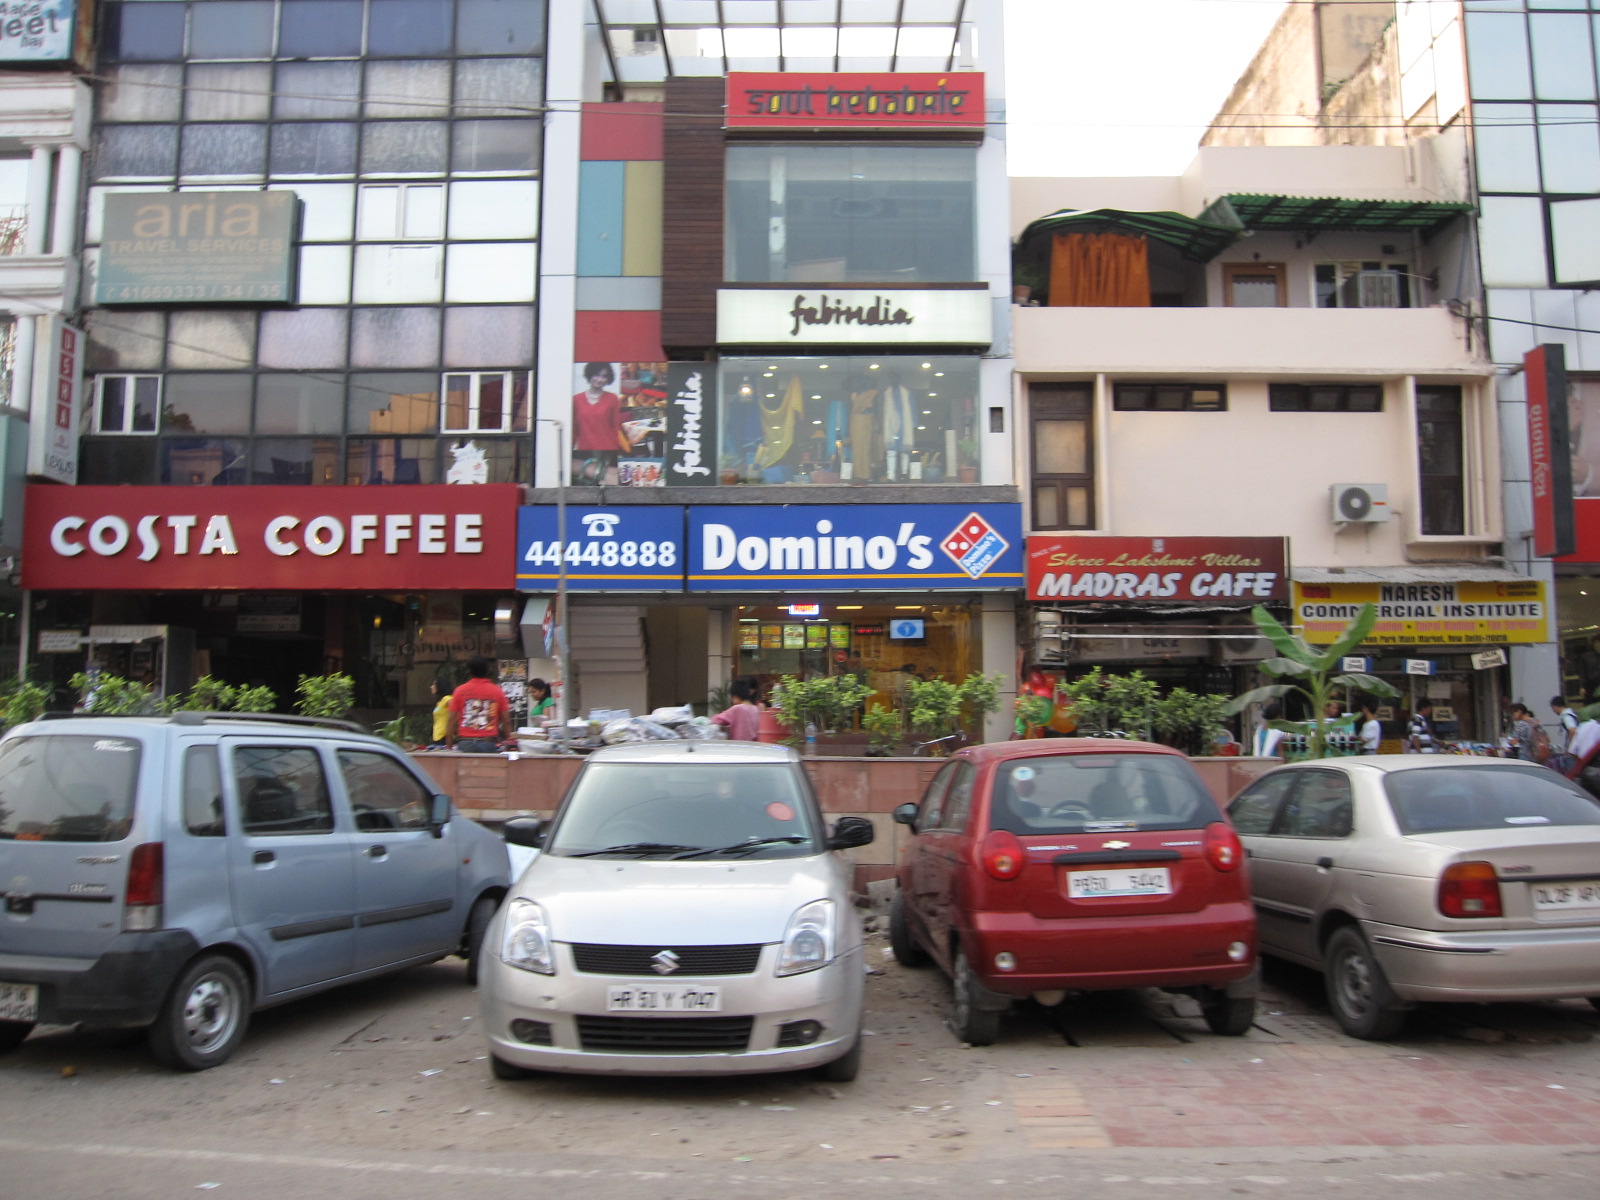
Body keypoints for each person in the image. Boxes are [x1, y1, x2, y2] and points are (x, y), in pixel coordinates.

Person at [571, 361, 629, 480]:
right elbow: (574, 429)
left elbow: (615, 427)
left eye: (604, 376)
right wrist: (569, 451)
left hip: (608, 451)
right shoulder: (576, 399)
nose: (600, 379)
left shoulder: (612, 398)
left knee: (609, 485)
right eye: (596, 375)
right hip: (584, 451)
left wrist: (618, 450)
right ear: (589, 375)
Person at [447, 656, 511, 752]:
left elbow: (451, 721)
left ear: (469, 671)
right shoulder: (498, 691)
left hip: (465, 743)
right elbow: (506, 720)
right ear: (487, 670)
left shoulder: (459, 691)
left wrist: (449, 746)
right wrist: (509, 743)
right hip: (488, 742)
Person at [712, 674, 762, 741]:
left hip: (738, 745)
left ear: (736, 696)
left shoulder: (737, 709)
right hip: (753, 745)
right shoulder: (756, 709)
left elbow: (716, 720)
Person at [429, 677, 454, 746]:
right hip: (437, 735)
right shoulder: (440, 702)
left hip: (444, 735)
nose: (431, 687)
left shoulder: (447, 699)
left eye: (434, 685)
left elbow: (456, 712)